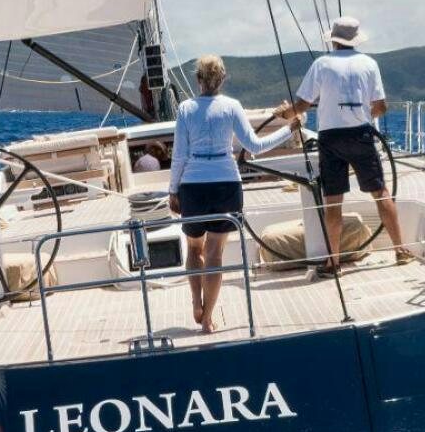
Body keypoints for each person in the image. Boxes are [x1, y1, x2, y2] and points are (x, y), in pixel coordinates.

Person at [168, 55, 296, 333]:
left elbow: (179, 156)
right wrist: (289, 130)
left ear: (198, 79)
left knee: (194, 248)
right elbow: (255, 146)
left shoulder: (186, 109)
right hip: (226, 184)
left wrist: (172, 190)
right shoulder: (232, 107)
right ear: (223, 78)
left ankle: (196, 301)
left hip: (193, 185)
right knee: (214, 254)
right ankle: (208, 319)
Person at [284, 16, 411, 276]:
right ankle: (400, 250)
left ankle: (333, 263)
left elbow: (302, 105)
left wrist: (285, 114)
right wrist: (363, 114)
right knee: (381, 193)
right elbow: (381, 106)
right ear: (355, 40)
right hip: (361, 135)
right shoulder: (369, 64)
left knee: (333, 201)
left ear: (333, 40)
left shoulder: (321, 64)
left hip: (330, 138)